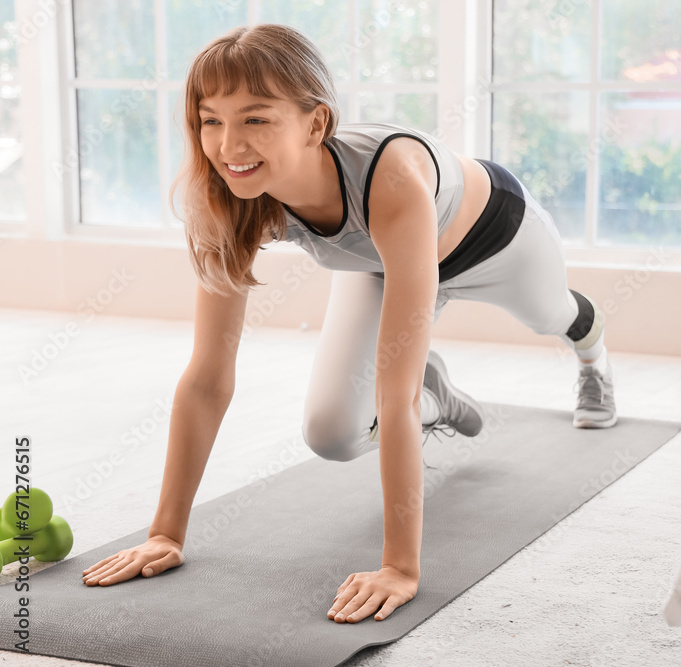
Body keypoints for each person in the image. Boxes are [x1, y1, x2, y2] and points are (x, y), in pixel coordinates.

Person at [80, 23, 617, 625]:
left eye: (256, 119)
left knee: (553, 315)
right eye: (211, 120)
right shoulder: (230, 195)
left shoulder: (390, 178)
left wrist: (400, 568)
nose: (229, 144)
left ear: (316, 124)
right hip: (378, 263)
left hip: (496, 239)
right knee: (332, 434)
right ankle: (440, 396)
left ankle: (593, 354)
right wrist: (165, 534)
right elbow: (208, 377)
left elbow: (396, 389)